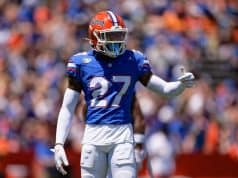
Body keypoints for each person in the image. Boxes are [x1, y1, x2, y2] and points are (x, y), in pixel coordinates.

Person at [52, 10, 194, 178]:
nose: (116, 41)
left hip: (122, 136)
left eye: (119, 35)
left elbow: (165, 90)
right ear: (95, 37)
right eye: (110, 36)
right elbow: (67, 108)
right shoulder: (81, 63)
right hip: (93, 136)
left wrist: (179, 85)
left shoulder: (133, 59)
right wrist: (59, 143)